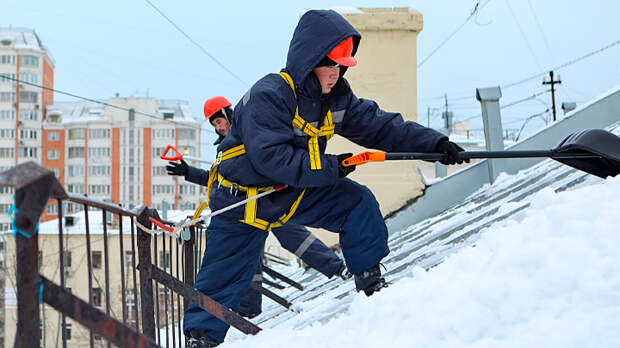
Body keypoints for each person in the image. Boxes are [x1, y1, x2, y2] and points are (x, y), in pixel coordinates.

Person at [182, 9, 465, 347]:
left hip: (289, 191)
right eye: (331, 64)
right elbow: (273, 159)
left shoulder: (336, 99)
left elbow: (381, 127)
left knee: (356, 203)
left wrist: (434, 144)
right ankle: (201, 339)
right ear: (309, 58)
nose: (337, 73)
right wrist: (333, 166)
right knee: (221, 276)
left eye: (342, 65)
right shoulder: (269, 95)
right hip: (240, 200)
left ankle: (371, 286)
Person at [166, 96, 349, 319]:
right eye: (214, 124)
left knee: (295, 236)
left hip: (271, 200)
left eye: (219, 120)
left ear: (228, 114)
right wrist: (189, 173)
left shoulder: (250, 131)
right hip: (244, 210)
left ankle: (338, 268)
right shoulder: (223, 150)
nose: (218, 126)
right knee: (249, 257)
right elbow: (218, 181)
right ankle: (249, 311)